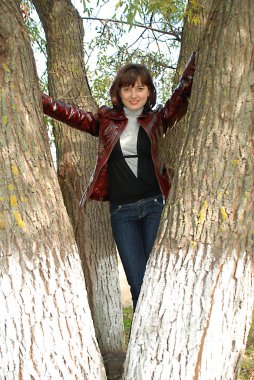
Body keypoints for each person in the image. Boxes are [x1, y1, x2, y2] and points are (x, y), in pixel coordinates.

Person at [42, 53, 196, 310]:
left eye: (140, 88)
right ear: (119, 92)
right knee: (137, 283)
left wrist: (195, 61)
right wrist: (41, 100)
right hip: (122, 212)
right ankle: (141, 344)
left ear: (149, 92)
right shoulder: (105, 121)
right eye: (127, 88)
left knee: (157, 279)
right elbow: (71, 114)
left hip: (154, 207)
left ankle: (157, 339)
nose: (134, 94)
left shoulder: (158, 119)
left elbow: (181, 95)